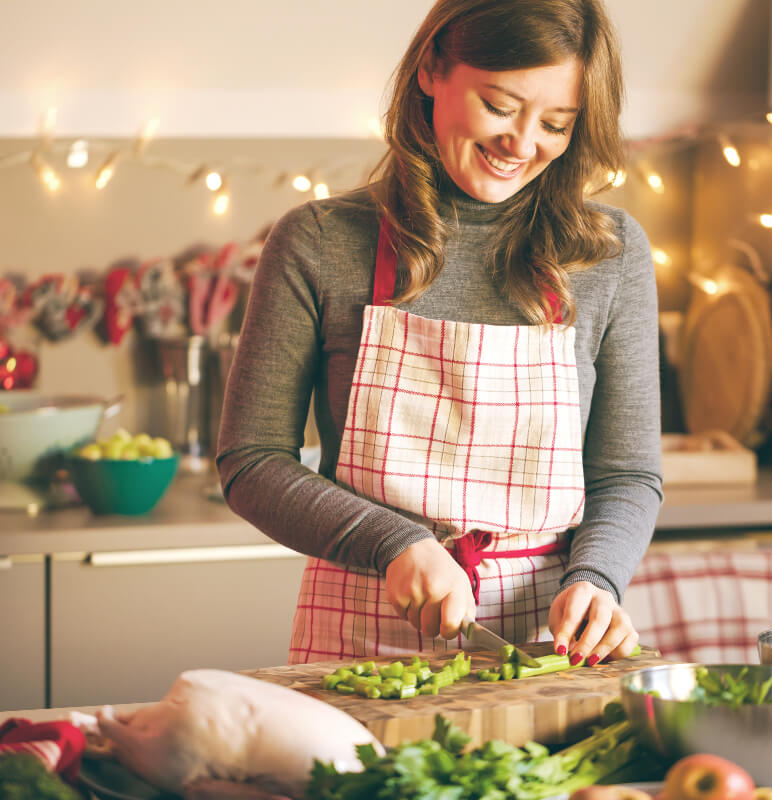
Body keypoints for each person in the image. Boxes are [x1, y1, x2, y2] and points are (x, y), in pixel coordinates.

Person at [217, 0, 662, 668]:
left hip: (548, 642)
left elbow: (626, 473)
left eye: (556, 123)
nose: (522, 143)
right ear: (432, 68)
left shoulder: (610, 252)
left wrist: (597, 578)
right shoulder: (319, 242)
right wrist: (395, 543)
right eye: (502, 105)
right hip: (359, 639)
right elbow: (251, 461)